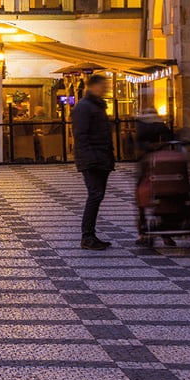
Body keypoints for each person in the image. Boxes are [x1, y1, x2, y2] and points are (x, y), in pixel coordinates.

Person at [72, 74, 115, 250]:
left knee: (97, 196)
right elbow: (80, 135)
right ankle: (87, 236)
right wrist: (90, 158)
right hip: (93, 159)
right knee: (95, 195)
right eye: (104, 86)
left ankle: (90, 235)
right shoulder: (84, 107)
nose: (106, 89)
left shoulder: (97, 106)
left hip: (101, 157)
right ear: (94, 86)